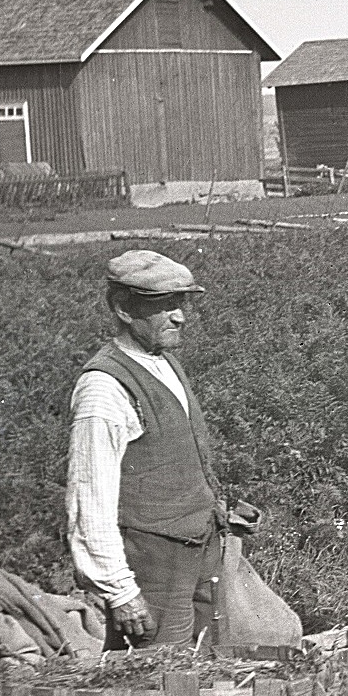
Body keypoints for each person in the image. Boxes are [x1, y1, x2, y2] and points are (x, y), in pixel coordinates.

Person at [67, 250, 226, 649]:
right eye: (164, 306)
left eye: (181, 303)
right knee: (157, 682)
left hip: (196, 549)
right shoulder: (103, 389)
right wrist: (120, 591)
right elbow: (90, 497)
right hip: (151, 565)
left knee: (206, 664)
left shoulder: (164, 361)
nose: (180, 316)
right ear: (123, 308)